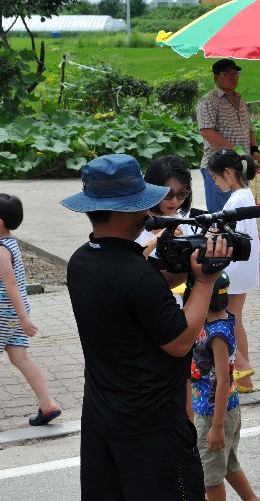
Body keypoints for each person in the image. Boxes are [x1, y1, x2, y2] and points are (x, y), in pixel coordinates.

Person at [62, 154, 231, 499]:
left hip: (101, 419)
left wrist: (183, 269)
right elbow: (180, 341)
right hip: (152, 428)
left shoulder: (82, 260)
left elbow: (135, 293)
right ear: (126, 210)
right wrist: (203, 282)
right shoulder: (134, 273)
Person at [186, 272, 259, 501]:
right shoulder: (222, 318)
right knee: (227, 463)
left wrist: (216, 426)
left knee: (210, 478)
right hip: (222, 410)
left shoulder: (217, 334)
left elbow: (223, 380)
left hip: (214, 414)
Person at [0, 194, 61, 426]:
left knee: (21, 358)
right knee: (20, 357)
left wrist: (24, 319)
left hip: (4, 314)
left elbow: (11, 284)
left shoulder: (0, 251)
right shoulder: (11, 243)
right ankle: (47, 404)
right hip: (15, 315)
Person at [207, 149, 260, 392]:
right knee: (235, 319)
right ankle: (244, 379)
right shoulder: (245, 194)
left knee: (224, 320)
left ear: (228, 173)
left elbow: (225, 234)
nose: (216, 183)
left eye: (216, 178)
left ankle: (242, 367)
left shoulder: (236, 199)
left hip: (234, 268)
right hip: (245, 266)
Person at [197, 59, 260, 213]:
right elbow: (207, 132)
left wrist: (254, 150)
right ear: (216, 77)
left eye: (235, 73)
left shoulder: (240, 99)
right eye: (227, 74)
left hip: (241, 166)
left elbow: (250, 129)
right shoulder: (208, 101)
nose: (233, 77)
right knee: (221, 216)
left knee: (240, 213)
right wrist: (236, 149)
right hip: (218, 168)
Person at [136, 156, 195, 260]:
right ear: (151, 190)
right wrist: (159, 238)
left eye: (182, 194)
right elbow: (128, 260)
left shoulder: (188, 219)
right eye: (167, 194)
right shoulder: (133, 222)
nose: (174, 201)